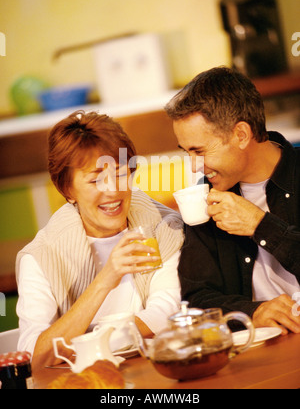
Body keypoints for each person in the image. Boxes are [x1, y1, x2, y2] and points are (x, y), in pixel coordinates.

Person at [16, 110, 183, 371]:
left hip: (158, 374)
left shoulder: (163, 227)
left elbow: (167, 313)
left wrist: (86, 344)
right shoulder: (40, 257)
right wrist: (106, 278)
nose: (113, 190)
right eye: (95, 179)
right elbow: (35, 356)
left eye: (120, 173)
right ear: (67, 189)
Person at [165, 66, 300, 335]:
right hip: (259, 351)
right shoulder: (204, 196)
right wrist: (254, 313)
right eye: (187, 152)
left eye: (199, 151)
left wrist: (262, 226)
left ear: (241, 134)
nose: (194, 166)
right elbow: (196, 299)